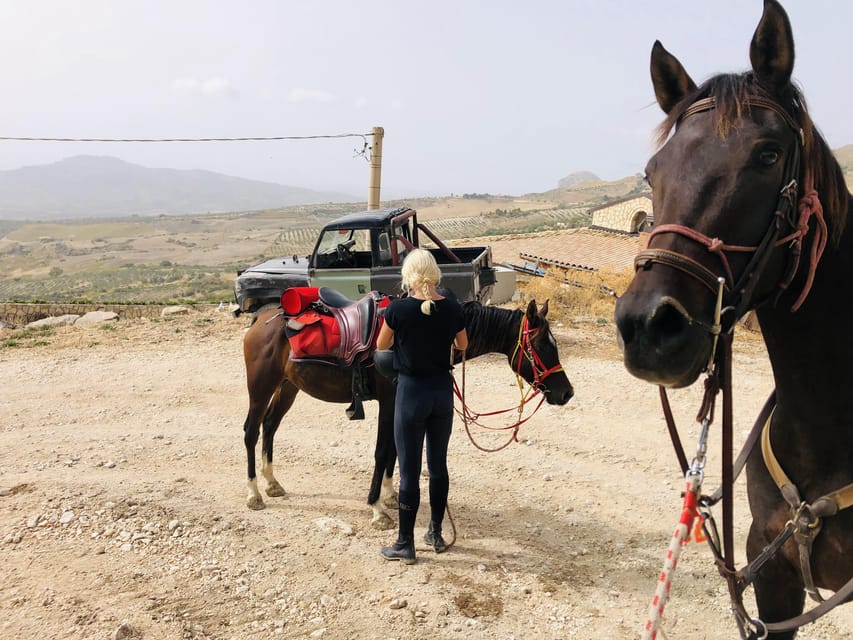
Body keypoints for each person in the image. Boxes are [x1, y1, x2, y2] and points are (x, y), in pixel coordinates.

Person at [376, 249, 468, 564]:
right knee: (438, 465)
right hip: (442, 394)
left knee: (410, 471)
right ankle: (435, 533)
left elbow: (381, 345)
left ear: (409, 275)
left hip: (411, 394)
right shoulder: (453, 308)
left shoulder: (398, 310)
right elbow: (463, 345)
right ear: (435, 274)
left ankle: (405, 543)